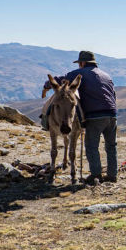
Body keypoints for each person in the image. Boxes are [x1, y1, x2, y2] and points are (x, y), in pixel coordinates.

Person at [44, 51, 118, 184]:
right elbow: (113, 94)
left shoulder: (81, 73)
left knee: (91, 146)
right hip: (112, 114)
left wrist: (46, 85)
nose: (79, 66)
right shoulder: (107, 76)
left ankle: (96, 175)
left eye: (80, 64)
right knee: (111, 146)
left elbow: (60, 80)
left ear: (83, 63)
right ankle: (112, 175)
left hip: (95, 115)